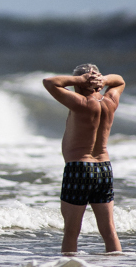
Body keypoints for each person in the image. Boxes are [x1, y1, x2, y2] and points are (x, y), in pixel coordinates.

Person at [43, 63, 125, 254]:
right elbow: (120, 80)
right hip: (104, 169)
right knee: (109, 230)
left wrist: (79, 80)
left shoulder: (80, 103)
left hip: (79, 169)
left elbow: (49, 82)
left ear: (80, 84)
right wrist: (103, 80)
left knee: (71, 232)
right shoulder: (110, 101)